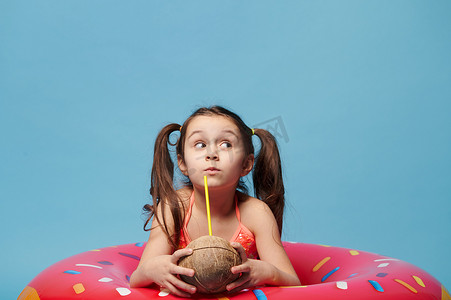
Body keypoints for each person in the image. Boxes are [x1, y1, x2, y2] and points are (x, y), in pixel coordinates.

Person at [130, 106, 300, 297]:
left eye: (226, 144)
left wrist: (268, 272)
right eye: (200, 144)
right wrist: (152, 269)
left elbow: (293, 282)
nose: (211, 154)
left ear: (246, 164)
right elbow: (137, 278)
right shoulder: (173, 207)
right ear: (183, 163)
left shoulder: (256, 213)